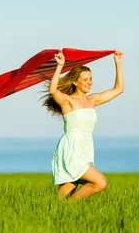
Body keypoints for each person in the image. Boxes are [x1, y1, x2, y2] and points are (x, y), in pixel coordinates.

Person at [42, 49, 124, 202]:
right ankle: (69, 206)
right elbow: (53, 90)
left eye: (91, 79)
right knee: (100, 182)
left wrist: (118, 64)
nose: (89, 83)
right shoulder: (68, 101)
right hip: (71, 149)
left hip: (85, 149)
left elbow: (118, 89)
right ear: (75, 81)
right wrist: (59, 65)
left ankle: (61, 212)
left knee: (60, 200)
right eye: (85, 79)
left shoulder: (92, 100)